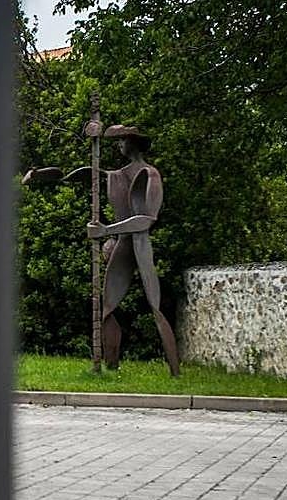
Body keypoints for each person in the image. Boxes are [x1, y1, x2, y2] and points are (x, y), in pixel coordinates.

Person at [22, 125, 180, 375]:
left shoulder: (150, 175)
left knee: (155, 305)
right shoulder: (117, 175)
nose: (119, 146)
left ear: (133, 143)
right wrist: (42, 176)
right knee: (107, 309)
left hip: (139, 245)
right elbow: (87, 174)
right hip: (120, 246)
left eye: (122, 141)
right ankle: (110, 366)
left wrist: (106, 231)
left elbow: (147, 219)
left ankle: (174, 369)